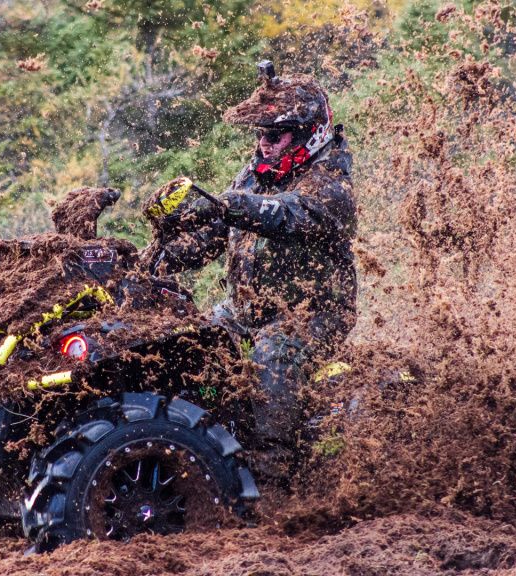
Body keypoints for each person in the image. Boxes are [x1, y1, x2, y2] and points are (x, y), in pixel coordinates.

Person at [146, 61, 358, 481]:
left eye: (274, 135)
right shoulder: (256, 174)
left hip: (311, 313)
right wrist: (164, 253)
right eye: (260, 135)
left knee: (269, 361)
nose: (264, 145)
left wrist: (227, 204)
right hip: (242, 309)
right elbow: (213, 236)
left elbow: (288, 214)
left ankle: (270, 476)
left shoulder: (331, 180)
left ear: (306, 133)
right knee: (190, 348)